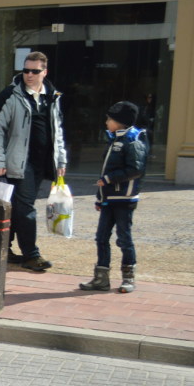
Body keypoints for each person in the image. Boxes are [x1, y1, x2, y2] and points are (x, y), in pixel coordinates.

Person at [0, 51, 67, 273]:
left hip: (43, 163)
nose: (29, 75)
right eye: (25, 70)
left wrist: (61, 159)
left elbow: (58, 131)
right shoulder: (10, 96)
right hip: (20, 163)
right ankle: (31, 255)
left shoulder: (53, 96)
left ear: (44, 72)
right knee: (26, 208)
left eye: (34, 71)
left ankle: (4, 249)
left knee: (16, 208)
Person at [79, 101, 147, 294]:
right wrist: (100, 198)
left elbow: (136, 169)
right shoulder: (114, 139)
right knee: (101, 237)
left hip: (124, 199)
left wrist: (108, 179)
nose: (106, 121)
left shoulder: (132, 140)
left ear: (120, 122)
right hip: (109, 199)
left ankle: (128, 278)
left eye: (110, 119)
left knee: (124, 238)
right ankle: (101, 278)